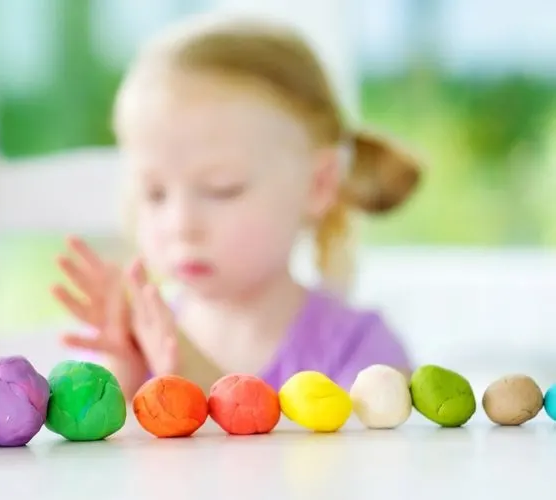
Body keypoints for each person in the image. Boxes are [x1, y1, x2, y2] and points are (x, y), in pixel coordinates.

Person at [50, 15, 422, 399]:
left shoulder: (362, 353)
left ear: (318, 184)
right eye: (154, 193)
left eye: (221, 189)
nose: (182, 224)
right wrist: (120, 390)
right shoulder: (134, 342)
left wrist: (197, 378)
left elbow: (362, 458)